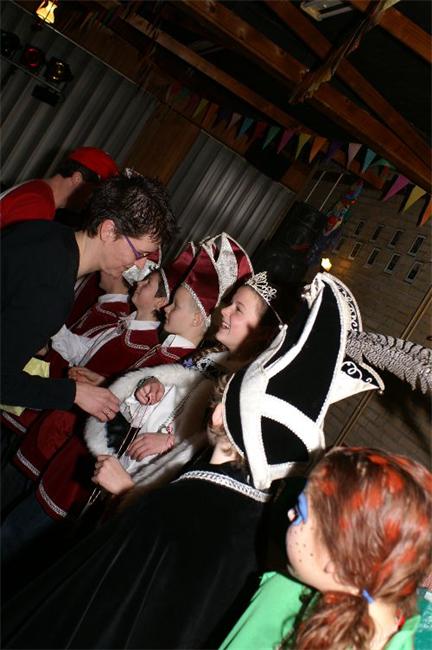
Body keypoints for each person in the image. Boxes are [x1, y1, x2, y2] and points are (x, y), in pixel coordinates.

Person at [1, 271, 364, 649]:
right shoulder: (252, 511)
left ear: (219, 415)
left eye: (238, 309)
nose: (224, 312)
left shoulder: (189, 499)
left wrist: (128, 492)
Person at [0, 169, 176, 420]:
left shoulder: (47, 233)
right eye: (141, 253)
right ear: (108, 231)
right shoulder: (53, 286)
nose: (139, 265)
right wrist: (74, 393)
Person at [220, 446, 432, 650]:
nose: (290, 514)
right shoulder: (287, 589)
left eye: (300, 512)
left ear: (341, 557)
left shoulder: (282, 595)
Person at [0, 147, 119, 229]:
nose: (94, 199)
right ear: (77, 178)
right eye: (95, 191)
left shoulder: (38, 191)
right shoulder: (39, 204)